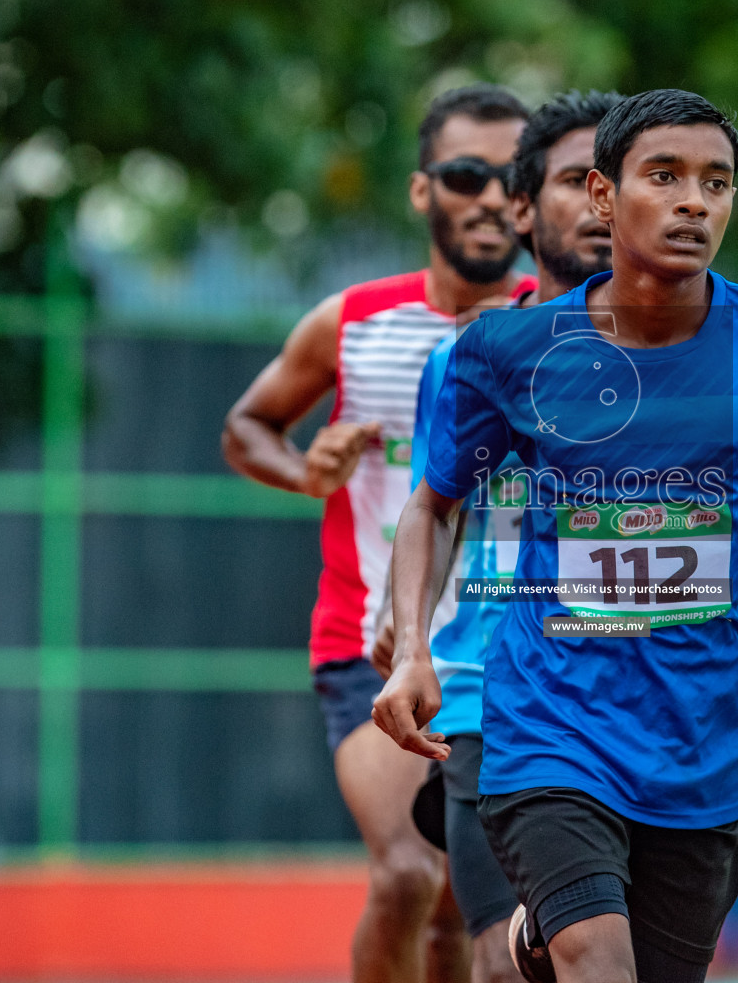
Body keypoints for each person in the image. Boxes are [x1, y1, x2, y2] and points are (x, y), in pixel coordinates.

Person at [374, 88, 738, 983]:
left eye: (716, 182)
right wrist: (413, 649)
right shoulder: (512, 349)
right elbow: (432, 503)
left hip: (708, 748)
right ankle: (544, 939)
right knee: (598, 965)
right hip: (550, 724)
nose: (695, 201)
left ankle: (536, 944)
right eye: (666, 176)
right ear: (604, 198)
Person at [221, 83, 532, 983]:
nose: (487, 196)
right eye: (464, 173)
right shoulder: (353, 323)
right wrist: (304, 468)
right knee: (406, 872)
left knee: (458, 908)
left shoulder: (553, 330)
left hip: (496, 645)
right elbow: (247, 425)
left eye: (508, 176)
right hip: (368, 639)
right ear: (422, 189)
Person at [390, 88, 626, 983]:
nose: (605, 207)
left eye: (622, 183)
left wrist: (735, 647)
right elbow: (431, 511)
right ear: (524, 209)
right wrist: (407, 635)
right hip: (490, 698)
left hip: (643, 705)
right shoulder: (468, 356)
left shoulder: (703, 360)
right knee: (503, 959)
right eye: (578, 182)